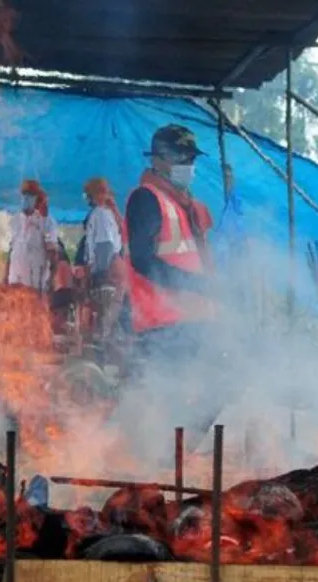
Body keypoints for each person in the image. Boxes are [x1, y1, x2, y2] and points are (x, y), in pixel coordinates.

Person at [124, 124, 223, 431]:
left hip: (194, 318)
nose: (189, 166)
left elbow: (197, 257)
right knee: (173, 402)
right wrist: (194, 285)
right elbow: (142, 259)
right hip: (162, 321)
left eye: (191, 159)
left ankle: (177, 456)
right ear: (159, 159)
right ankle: (163, 461)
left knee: (214, 389)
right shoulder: (146, 198)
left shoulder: (188, 205)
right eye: (182, 158)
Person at [75, 177, 128, 341]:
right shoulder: (107, 214)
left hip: (106, 272)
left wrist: (97, 275)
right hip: (111, 270)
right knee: (109, 314)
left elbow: (104, 246)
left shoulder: (101, 215)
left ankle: (102, 348)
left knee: (104, 314)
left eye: (89, 195)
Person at [5, 179, 59, 292]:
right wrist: (5, 277)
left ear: (37, 198)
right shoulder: (15, 220)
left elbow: (52, 252)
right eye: (24, 195)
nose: (26, 198)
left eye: (30, 195)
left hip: (35, 282)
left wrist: (51, 279)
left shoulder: (47, 221)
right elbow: (11, 250)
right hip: (15, 280)